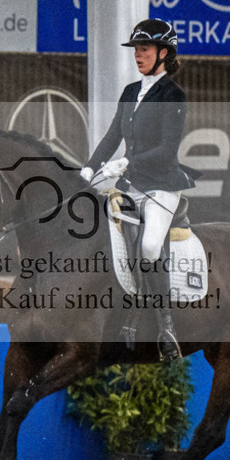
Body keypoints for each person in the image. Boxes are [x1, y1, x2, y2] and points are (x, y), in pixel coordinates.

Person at [80, 19, 197, 360]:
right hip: (131, 184)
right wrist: (89, 167)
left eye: (145, 49)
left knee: (148, 246)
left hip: (161, 186)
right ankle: (120, 312)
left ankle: (166, 326)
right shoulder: (131, 92)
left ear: (163, 53)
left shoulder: (173, 95)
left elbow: (166, 149)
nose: (139, 55)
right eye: (136, 50)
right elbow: (112, 136)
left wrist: (126, 164)